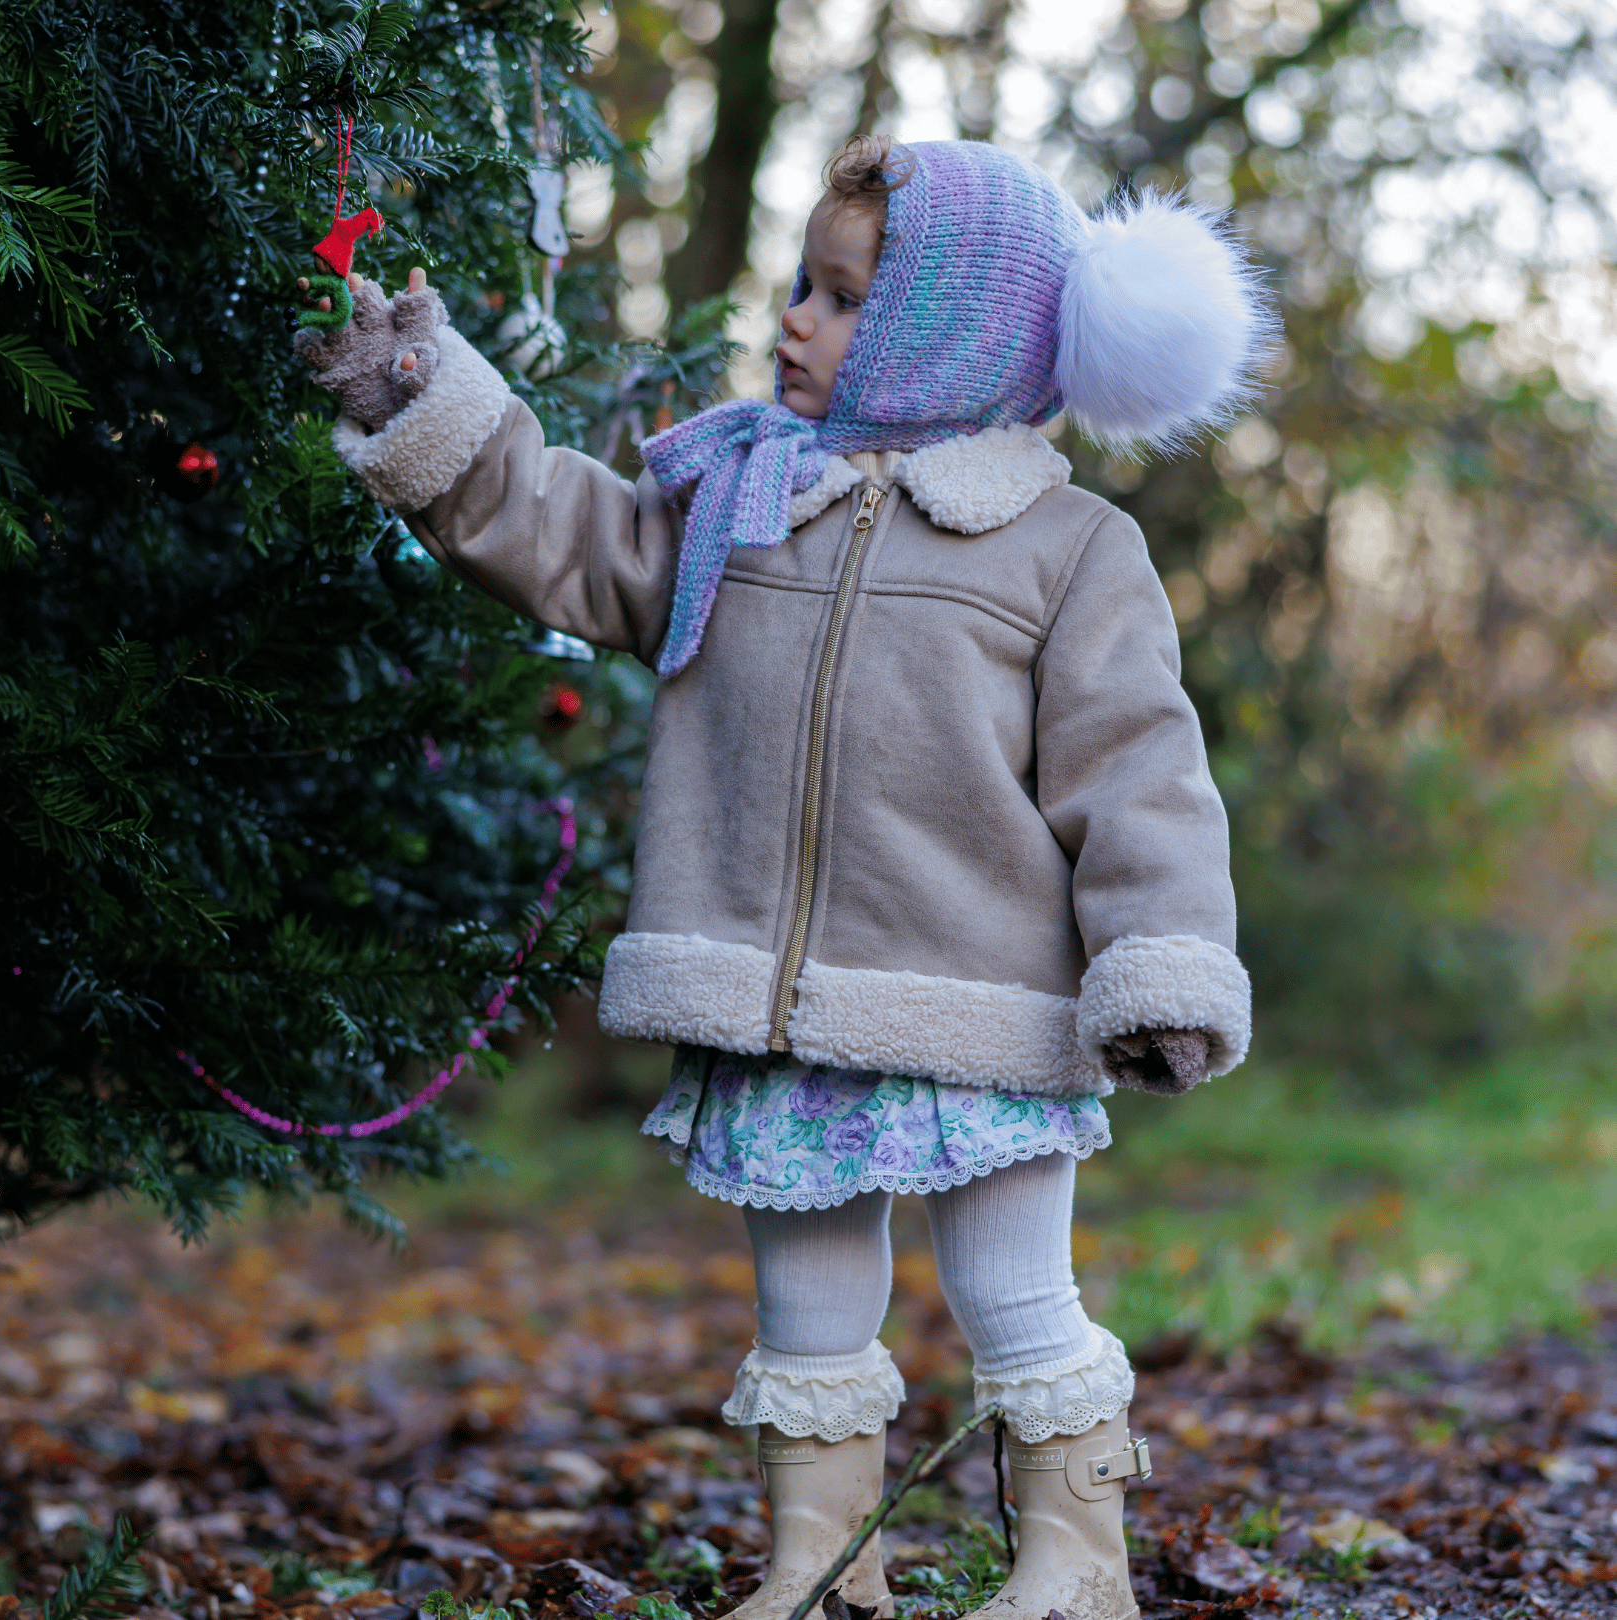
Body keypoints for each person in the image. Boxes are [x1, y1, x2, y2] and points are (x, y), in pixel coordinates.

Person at [296, 136, 1275, 1620]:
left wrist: (1164, 962)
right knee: (805, 1305)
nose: (792, 322)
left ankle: (1075, 1566)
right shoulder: (747, 494)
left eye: (838, 295)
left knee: (1017, 1298)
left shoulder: (1069, 547)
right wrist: (432, 411)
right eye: (796, 287)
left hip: (981, 1007)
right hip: (776, 1000)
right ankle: (823, 1573)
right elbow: (574, 539)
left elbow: (1141, 775)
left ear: (951, 332)